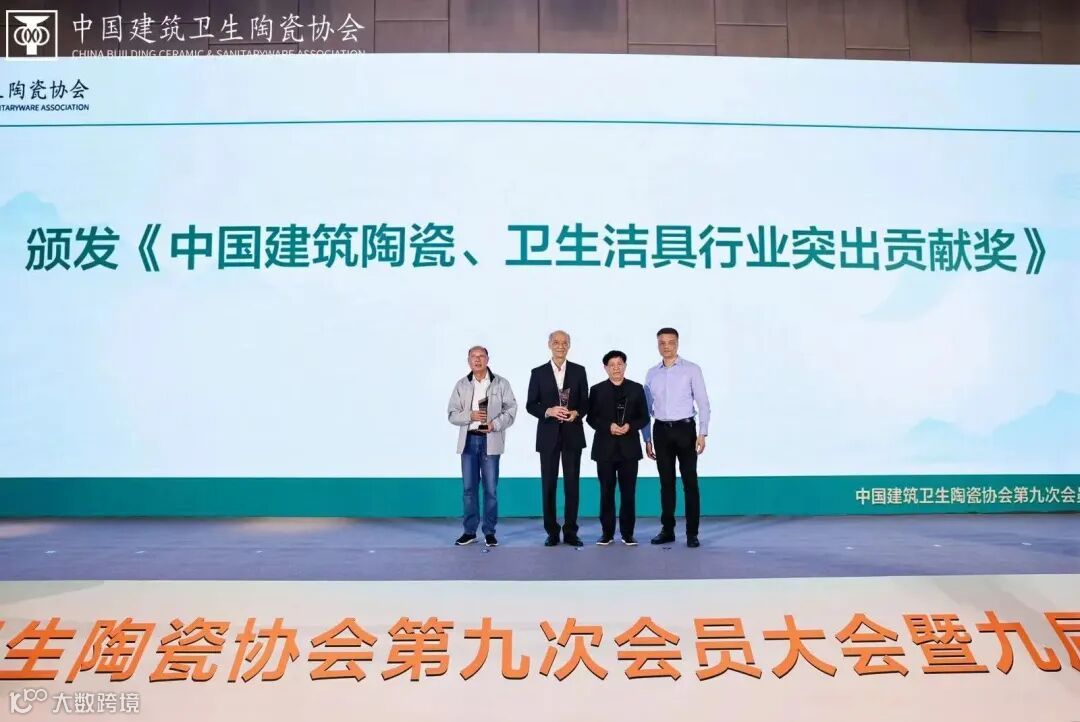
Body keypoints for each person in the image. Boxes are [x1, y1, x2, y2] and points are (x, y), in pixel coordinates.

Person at [643, 327, 711, 548]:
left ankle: (692, 533)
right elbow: (646, 408)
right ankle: (667, 530)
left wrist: (702, 432)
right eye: (662, 342)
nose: (666, 346)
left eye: (670, 342)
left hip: (685, 430)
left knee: (690, 482)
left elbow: (703, 402)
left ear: (677, 343)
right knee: (666, 483)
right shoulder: (652, 373)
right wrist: (647, 438)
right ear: (657, 345)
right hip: (661, 430)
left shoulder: (691, 370)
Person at [447, 345, 517, 548]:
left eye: (481, 356)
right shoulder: (462, 385)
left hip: (490, 440)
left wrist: (495, 424)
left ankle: (490, 532)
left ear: (488, 359)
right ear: (468, 360)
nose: (477, 360)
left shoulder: (500, 383)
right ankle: (469, 532)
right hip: (469, 441)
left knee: (490, 490)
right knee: (469, 489)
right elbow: (452, 414)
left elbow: (511, 409)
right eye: (473, 357)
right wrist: (470, 415)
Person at [526, 330, 589, 547]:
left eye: (564, 342)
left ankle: (570, 531)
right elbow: (530, 405)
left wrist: (576, 413)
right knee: (549, 485)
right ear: (549, 345)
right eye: (556, 342)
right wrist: (548, 411)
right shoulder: (538, 373)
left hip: (572, 434)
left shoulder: (579, 371)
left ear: (569, 345)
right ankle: (552, 531)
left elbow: (586, 402)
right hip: (548, 436)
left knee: (572, 485)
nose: (560, 346)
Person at [586, 350, 649, 546]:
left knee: (628, 493)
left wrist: (630, 426)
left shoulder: (636, 389)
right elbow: (591, 418)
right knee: (606, 492)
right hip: (604, 449)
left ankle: (628, 533)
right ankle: (607, 533)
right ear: (605, 368)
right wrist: (609, 426)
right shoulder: (596, 390)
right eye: (611, 365)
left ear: (625, 366)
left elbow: (644, 417)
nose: (616, 368)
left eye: (619, 364)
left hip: (629, 449)